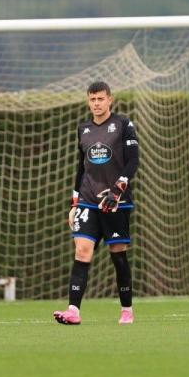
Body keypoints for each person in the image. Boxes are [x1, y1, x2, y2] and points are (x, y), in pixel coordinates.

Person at [54, 81, 139, 326]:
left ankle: (126, 309)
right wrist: (74, 203)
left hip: (116, 204)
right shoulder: (84, 129)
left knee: (118, 256)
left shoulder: (123, 125)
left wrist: (118, 190)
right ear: (88, 101)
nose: (97, 104)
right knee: (81, 251)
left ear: (110, 99)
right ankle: (73, 310)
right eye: (92, 99)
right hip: (89, 202)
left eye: (101, 99)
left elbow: (133, 161)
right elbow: (81, 168)